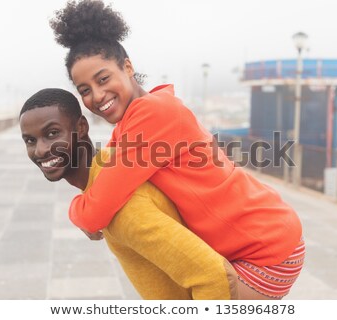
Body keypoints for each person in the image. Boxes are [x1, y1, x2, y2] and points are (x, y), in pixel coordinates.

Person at [50, 0, 305, 299]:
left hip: (265, 248)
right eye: (85, 90)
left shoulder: (154, 113)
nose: (97, 95)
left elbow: (99, 207)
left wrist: (78, 213)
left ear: (128, 67)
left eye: (103, 79)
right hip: (250, 238)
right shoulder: (130, 124)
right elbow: (105, 182)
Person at [19, 88, 239, 299]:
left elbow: (214, 277)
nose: (40, 150)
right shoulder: (110, 164)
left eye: (52, 133)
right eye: (30, 140)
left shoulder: (122, 208)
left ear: (81, 127)